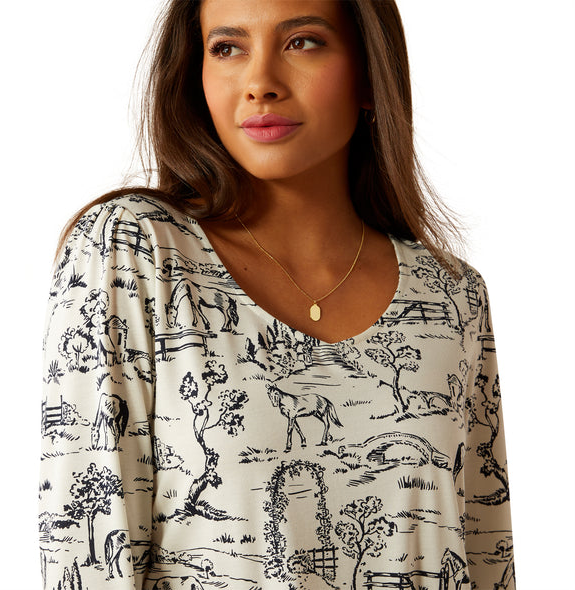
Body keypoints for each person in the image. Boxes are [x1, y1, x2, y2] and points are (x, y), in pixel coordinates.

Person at [39, 1, 515, 589]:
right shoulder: (135, 251)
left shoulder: (452, 296)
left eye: (302, 42)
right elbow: (83, 554)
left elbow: (486, 553)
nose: (260, 82)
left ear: (370, 74)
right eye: (227, 48)